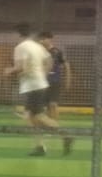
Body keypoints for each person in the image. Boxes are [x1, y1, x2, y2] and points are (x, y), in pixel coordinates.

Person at [6, 24, 72, 156]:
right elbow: (49, 62)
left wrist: (9, 71)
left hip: (32, 86)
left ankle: (65, 136)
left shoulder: (20, 47)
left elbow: (20, 67)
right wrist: (42, 74)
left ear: (18, 34)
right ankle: (40, 146)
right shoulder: (37, 46)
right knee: (30, 116)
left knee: (37, 116)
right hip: (39, 84)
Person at [37, 30, 71, 119]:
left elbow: (67, 66)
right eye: (41, 39)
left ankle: (55, 124)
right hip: (42, 82)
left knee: (53, 104)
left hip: (55, 81)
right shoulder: (39, 52)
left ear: (50, 39)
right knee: (45, 106)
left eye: (44, 39)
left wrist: (68, 80)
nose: (41, 41)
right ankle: (49, 124)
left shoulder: (57, 52)